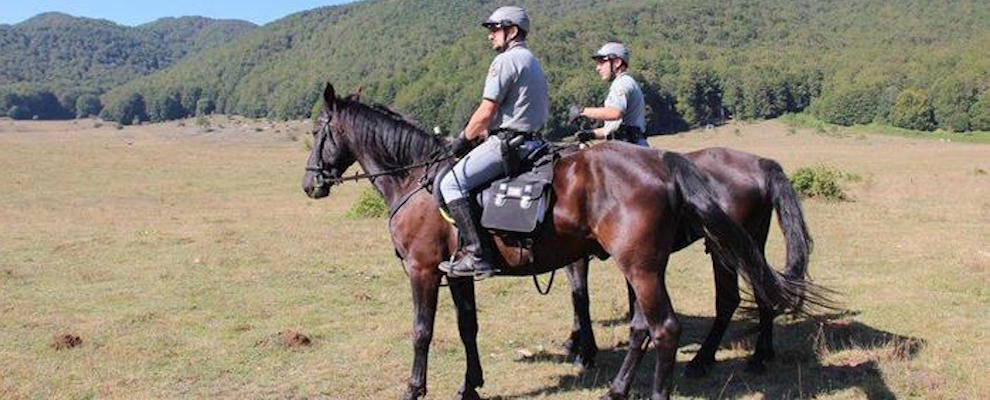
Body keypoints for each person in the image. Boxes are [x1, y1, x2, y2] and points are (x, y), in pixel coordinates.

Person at [437, 6, 549, 279]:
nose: (490, 36)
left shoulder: (505, 61)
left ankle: (477, 255)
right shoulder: (530, 59)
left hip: (510, 144)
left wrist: (462, 140)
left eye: (495, 29)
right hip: (532, 143)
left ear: (511, 31)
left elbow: (486, 111)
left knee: (450, 183)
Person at [569, 42, 648, 147]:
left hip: (629, 149)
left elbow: (614, 113)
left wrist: (582, 111)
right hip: (631, 145)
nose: (598, 68)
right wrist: (590, 134)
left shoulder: (622, 83)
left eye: (601, 62)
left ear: (617, 62)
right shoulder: (626, 82)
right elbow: (612, 128)